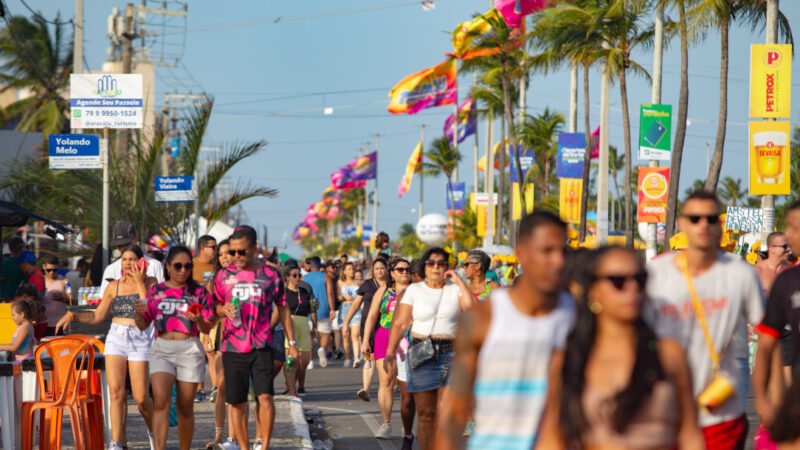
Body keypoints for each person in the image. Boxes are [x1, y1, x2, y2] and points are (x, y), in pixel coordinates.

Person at [536, 246, 704, 449]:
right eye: (618, 281)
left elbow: (690, 434)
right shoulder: (571, 358)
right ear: (593, 290)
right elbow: (552, 438)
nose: (632, 288)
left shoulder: (669, 354)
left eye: (640, 279)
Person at [435, 212, 574, 449]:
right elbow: (455, 409)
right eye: (547, 251)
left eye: (563, 252)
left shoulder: (577, 315)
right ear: (522, 253)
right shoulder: (483, 317)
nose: (558, 261)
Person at [645, 190, 764, 449]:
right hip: (666, 410)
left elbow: (767, 337)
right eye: (695, 218)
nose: (703, 225)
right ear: (681, 224)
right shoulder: (655, 274)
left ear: (720, 226)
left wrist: (766, 399)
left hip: (721, 411)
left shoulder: (740, 273)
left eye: (711, 219)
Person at [55, 244, 157, 450]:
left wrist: (139, 282)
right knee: (116, 393)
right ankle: (118, 442)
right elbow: (97, 316)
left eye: (132, 259)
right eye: (124, 259)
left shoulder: (152, 283)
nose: (128, 263)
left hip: (140, 337)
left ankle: (154, 430)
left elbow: (148, 309)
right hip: (117, 337)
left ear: (142, 262)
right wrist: (73, 314)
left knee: (140, 398)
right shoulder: (113, 286)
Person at [212, 225, 298, 450]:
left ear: (254, 248)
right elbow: (213, 306)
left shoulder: (270, 275)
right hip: (232, 346)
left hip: (261, 345)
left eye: (242, 252)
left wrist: (293, 343)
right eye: (233, 252)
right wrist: (222, 309)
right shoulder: (223, 275)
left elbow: (283, 307)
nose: (237, 257)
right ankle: (244, 446)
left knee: (265, 397)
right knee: (237, 403)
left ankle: (265, 445)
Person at [384, 247, 475, 450]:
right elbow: (400, 323)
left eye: (441, 263)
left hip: (449, 353)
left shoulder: (455, 289)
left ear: (448, 267)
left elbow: (471, 308)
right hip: (420, 352)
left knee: (446, 413)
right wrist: (390, 350)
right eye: (431, 263)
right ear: (425, 267)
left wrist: (459, 281)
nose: (436, 267)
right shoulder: (414, 291)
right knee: (426, 415)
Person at [134, 245, 216, 450]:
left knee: (185, 407)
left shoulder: (198, 292)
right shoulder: (156, 290)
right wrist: (136, 314)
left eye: (187, 266)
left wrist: (198, 320)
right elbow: (144, 324)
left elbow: (208, 326)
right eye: (178, 266)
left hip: (189, 349)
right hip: (162, 348)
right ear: (168, 266)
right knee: (161, 403)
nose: (183, 271)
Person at [753, 201, 800, 446]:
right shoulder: (787, 279)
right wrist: (761, 401)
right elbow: (765, 345)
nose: (790, 238)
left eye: (795, 228)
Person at [362, 258, 411, 440]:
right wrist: (366, 339)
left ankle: (409, 426)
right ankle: (386, 423)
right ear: (392, 273)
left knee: (409, 385)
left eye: (407, 269)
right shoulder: (383, 291)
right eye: (400, 269)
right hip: (384, 336)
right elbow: (372, 315)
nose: (404, 272)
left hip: (409, 337)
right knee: (386, 381)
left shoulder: (416, 291)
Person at [345, 257, 389, 400]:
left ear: (387, 269)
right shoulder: (367, 284)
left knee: (385, 357)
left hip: (385, 326)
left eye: (382, 268)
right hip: (368, 326)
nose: (380, 271)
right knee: (369, 356)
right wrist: (346, 323)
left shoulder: (392, 285)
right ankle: (366, 389)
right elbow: (356, 304)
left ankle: (389, 385)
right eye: (377, 269)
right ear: (373, 271)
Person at [754, 231, 794, 386]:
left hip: (787, 330)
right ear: (771, 249)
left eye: (788, 246)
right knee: (768, 381)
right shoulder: (757, 271)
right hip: (765, 331)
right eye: (784, 246)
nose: (788, 249)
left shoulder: (791, 271)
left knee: (789, 383)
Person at [208, 239, 234, 449]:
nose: (225, 257)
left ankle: (234, 438)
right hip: (222, 335)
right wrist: (207, 335)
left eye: (229, 253)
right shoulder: (215, 279)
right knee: (221, 387)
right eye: (221, 254)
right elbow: (210, 311)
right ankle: (219, 434)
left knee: (237, 389)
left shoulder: (246, 278)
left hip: (244, 338)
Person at [99, 221, 165, 297]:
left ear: (136, 238)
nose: (124, 248)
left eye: (127, 244)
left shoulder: (155, 266)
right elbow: (103, 298)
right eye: (120, 245)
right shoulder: (111, 269)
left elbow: (162, 296)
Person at [282, 263, 316, 395]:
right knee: (291, 359)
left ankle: (298, 384)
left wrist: (315, 326)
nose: (298, 277)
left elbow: (312, 310)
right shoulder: (284, 293)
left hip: (303, 323)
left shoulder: (305, 292)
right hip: (289, 323)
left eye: (299, 275)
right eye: (294, 275)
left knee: (305, 360)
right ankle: (291, 387)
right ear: (287, 277)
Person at [193, 234, 217, 403]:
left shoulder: (218, 265)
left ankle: (215, 388)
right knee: (196, 353)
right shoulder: (192, 265)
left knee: (212, 352)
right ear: (203, 248)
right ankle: (198, 389)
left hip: (213, 315)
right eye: (213, 247)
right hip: (194, 314)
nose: (215, 251)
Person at [304, 256, 333, 367]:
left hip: (308, 309)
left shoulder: (303, 277)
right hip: (323, 307)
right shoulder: (326, 277)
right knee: (325, 333)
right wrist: (332, 308)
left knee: (310, 335)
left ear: (310, 265)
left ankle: (310, 361)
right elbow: (330, 293)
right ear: (320, 265)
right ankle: (322, 348)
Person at [338, 261, 362, 368]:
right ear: (344, 271)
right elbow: (338, 297)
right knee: (346, 336)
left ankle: (356, 358)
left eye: (353, 269)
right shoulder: (340, 282)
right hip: (344, 308)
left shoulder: (358, 282)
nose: (352, 271)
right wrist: (344, 297)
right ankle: (347, 358)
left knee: (355, 335)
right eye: (349, 269)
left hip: (356, 308)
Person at [42, 256, 73, 337]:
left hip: (60, 323)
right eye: (49, 270)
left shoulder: (65, 281)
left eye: (55, 270)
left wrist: (62, 299)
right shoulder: (40, 281)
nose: (52, 272)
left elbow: (72, 300)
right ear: (44, 267)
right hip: (43, 324)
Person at [326, 260, 344, 360]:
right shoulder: (325, 278)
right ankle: (329, 350)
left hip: (338, 307)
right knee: (328, 331)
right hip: (327, 308)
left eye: (336, 267)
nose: (335, 268)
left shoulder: (339, 279)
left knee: (336, 330)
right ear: (327, 268)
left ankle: (337, 349)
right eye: (333, 267)